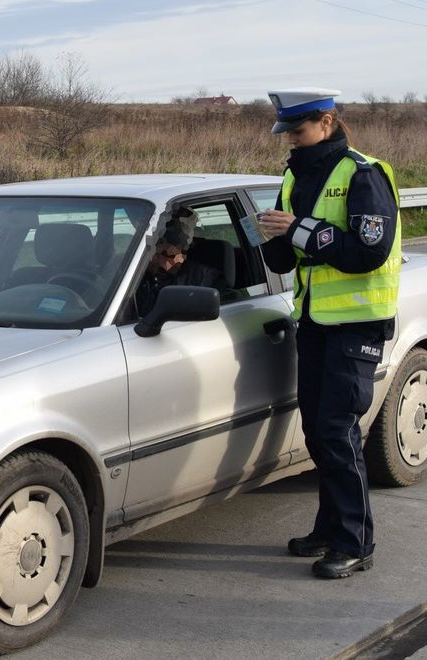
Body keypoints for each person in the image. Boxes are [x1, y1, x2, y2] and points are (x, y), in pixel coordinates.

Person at [258, 87, 401, 579]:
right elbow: (285, 256)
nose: (291, 143)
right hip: (315, 322)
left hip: (357, 324)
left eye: (297, 132)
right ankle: (329, 528)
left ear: (326, 122)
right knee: (319, 432)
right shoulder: (295, 173)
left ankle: (355, 542)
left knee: (338, 432)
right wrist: (271, 237)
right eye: (286, 135)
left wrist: (296, 228)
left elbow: (368, 253)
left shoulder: (363, 174)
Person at [135, 208, 228, 316]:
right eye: (152, 254)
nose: (157, 261)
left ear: (182, 256)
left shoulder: (205, 278)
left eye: (167, 255)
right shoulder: (134, 276)